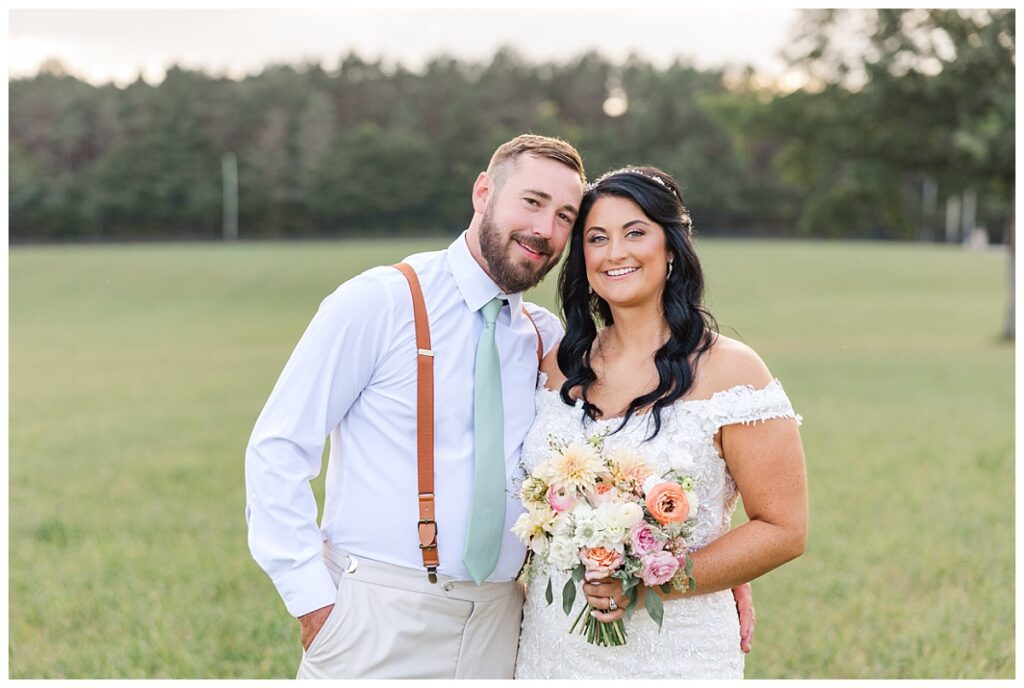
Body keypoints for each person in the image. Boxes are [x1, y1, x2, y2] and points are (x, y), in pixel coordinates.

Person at [245, 135, 753, 680]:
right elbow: (279, 448)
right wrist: (313, 600)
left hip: (505, 619)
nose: (544, 230)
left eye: (565, 217)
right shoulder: (381, 302)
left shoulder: (548, 341)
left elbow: (605, 463)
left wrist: (704, 564)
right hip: (378, 609)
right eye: (531, 202)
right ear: (483, 192)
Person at [514, 166, 807, 679]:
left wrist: (654, 579)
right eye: (597, 238)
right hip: (551, 648)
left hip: (676, 651)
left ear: (671, 247)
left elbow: (783, 529)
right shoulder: (554, 363)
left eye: (636, 232)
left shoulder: (734, 372)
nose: (615, 253)